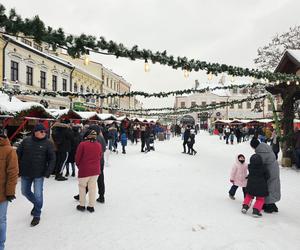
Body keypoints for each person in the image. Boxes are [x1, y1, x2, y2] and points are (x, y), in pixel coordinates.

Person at [17, 124, 56, 226]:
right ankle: (37, 205)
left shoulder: (48, 143)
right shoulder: (26, 141)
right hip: (25, 172)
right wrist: (18, 168)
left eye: (45, 131)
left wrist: (48, 172)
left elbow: (52, 158)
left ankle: (37, 214)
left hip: (39, 173)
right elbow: (18, 154)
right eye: (42, 131)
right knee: (24, 191)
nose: (44, 133)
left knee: (38, 195)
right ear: (35, 132)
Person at [250, 138, 281, 213]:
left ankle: (270, 206)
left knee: (269, 187)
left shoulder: (260, 152)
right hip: (274, 168)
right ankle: (271, 205)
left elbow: (259, 163)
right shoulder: (265, 147)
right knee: (273, 185)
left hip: (269, 170)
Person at [75, 130, 103, 212]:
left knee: (82, 187)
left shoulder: (82, 144)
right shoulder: (98, 145)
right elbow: (100, 156)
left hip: (84, 170)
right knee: (92, 188)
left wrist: (79, 166)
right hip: (95, 171)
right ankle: (91, 206)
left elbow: (77, 158)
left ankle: (82, 205)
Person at [0, 130, 18, 249]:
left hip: (2, 193)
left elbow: (12, 172)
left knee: (1, 220)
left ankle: (1, 245)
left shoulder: (9, 150)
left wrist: (10, 192)